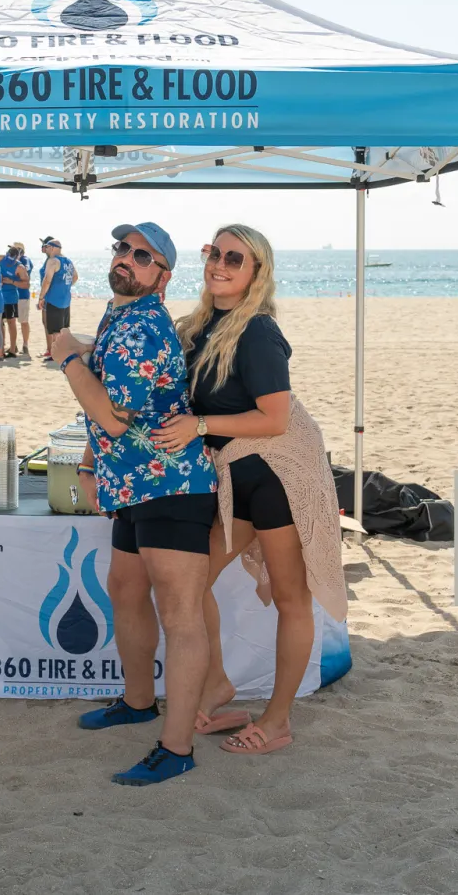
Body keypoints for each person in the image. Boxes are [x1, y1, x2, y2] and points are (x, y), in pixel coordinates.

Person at [151, 225, 344, 757]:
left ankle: (278, 719)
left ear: (257, 271)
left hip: (282, 473)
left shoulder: (257, 331)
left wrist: (200, 426)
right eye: (214, 252)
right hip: (235, 473)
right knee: (192, 585)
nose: (221, 263)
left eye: (235, 257)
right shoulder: (198, 324)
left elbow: (276, 418)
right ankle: (216, 684)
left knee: (291, 598)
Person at [53, 222, 219, 787]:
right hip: (131, 485)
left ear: (162, 277)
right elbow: (103, 412)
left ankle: (176, 748)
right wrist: (85, 464)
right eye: (123, 249)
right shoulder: (119, 317)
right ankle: (138, 700)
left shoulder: (144, 329)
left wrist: (67, 357)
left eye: (143, 256)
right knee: (126, 590)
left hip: (172, 485)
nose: (128, 258)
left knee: (181, 613)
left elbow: (110, 415)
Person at [38, 236, 77, 361]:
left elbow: (47, 280)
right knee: (63, 329)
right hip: (65, 299)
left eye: (48, 247)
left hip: (54, 300)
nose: (46, 249)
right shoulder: (68, 261)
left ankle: (55, 355)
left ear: (54, 248)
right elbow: (75, 277)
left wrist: (41, 297)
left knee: (55, 330)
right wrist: (64, 286)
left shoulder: (53, 261)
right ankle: (63, 352)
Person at [0, 245, 28, 357]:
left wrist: (11, 282)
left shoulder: (20, 267)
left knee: (11, 323)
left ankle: (12, 349)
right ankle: (1, 349)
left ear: (17, 257)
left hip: (11, 298)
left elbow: (26, 284)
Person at [14, 241, 35, 357]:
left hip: (22, 295)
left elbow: (26, 269)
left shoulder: (25, 260)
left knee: (23, 321)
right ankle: (15, 345)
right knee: (12, 321)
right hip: (14, 295)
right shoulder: (14, 261)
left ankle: (25, 344)